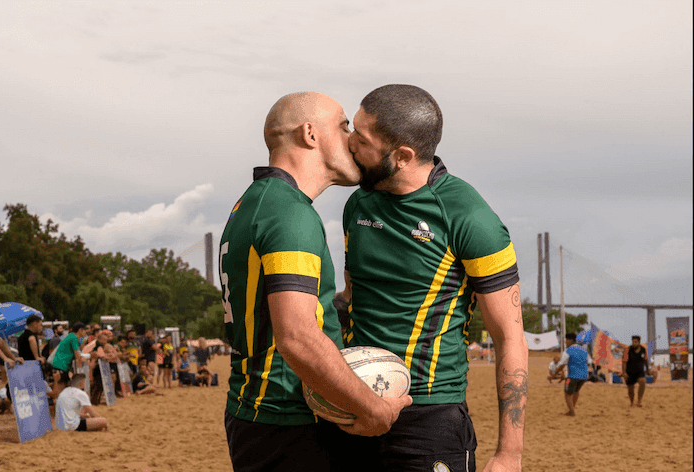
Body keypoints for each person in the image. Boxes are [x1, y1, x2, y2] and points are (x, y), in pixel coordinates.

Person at [331, 84, 527, 471]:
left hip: (429, 414)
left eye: (361, 138)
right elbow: (353, 297)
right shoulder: (357, 203)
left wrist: (509, 453)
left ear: (402, 156)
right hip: (356, 404)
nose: (348, 142)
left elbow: (510, 337)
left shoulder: (471, 219)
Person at [218, 92, 412, 472]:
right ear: (310, 133)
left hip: (256, 414)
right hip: (289, 422)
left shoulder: (255, 203)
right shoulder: (289, 214)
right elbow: (298, 337)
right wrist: (373, 409)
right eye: (343, 126)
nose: (353, 139)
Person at [51, 322, 91, 397]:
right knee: (60, 390)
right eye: (84, 330)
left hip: (62, 365)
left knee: (63, 388)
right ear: (80, 330)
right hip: (60, 365)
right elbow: (78, 356)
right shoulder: (73, 338)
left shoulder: (72, 337)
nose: (86, 332)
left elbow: (78, 354)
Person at [554, 333, 589, 417]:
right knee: (576, 391)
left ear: (570, 340)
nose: (565, 342)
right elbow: (589, 362)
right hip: (584, 376)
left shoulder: (569, 350)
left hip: (572, 376)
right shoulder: (584, 350)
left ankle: (572, 411)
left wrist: (556, 372)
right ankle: (571, 409)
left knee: (567, 393)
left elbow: (562, 364)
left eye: (566, 340)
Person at [622, 335, 649, 407]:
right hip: (630, 372)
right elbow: (624, 362)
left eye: (636, 342)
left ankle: (639, 401)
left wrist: (648, 370)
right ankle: (632, 402)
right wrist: (624, 373)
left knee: (642, 382)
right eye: (633, 342)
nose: (634, 343)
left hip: (640, 372)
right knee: (631, 390)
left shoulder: (643, 349)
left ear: (639, 342)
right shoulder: (627, 350)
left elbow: (646, 361)